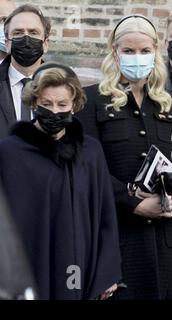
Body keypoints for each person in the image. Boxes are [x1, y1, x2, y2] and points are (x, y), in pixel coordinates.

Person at [76, 15, 172, 300]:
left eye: (144, 51)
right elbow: (86, 170)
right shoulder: (90, 101)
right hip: (117, 236)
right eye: (128, 51)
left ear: (156, 51)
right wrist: (132, 203)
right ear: (114, 52)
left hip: (164, 243)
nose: (137, 57)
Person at [0, 62, 121, 300]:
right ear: (34, 103)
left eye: (62, 104)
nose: (54, 112)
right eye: (46, 104)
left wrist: (107, 274)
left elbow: (106, 215)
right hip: (27, 267)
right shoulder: (9, 152)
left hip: (78, 266)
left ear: (74, 106)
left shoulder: (90, 152)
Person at [0, 4, 50, 138]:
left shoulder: (63, 86)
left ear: (45, 44)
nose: (26, 39)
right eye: (18, 33)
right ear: (7, 43)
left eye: (33, 33)